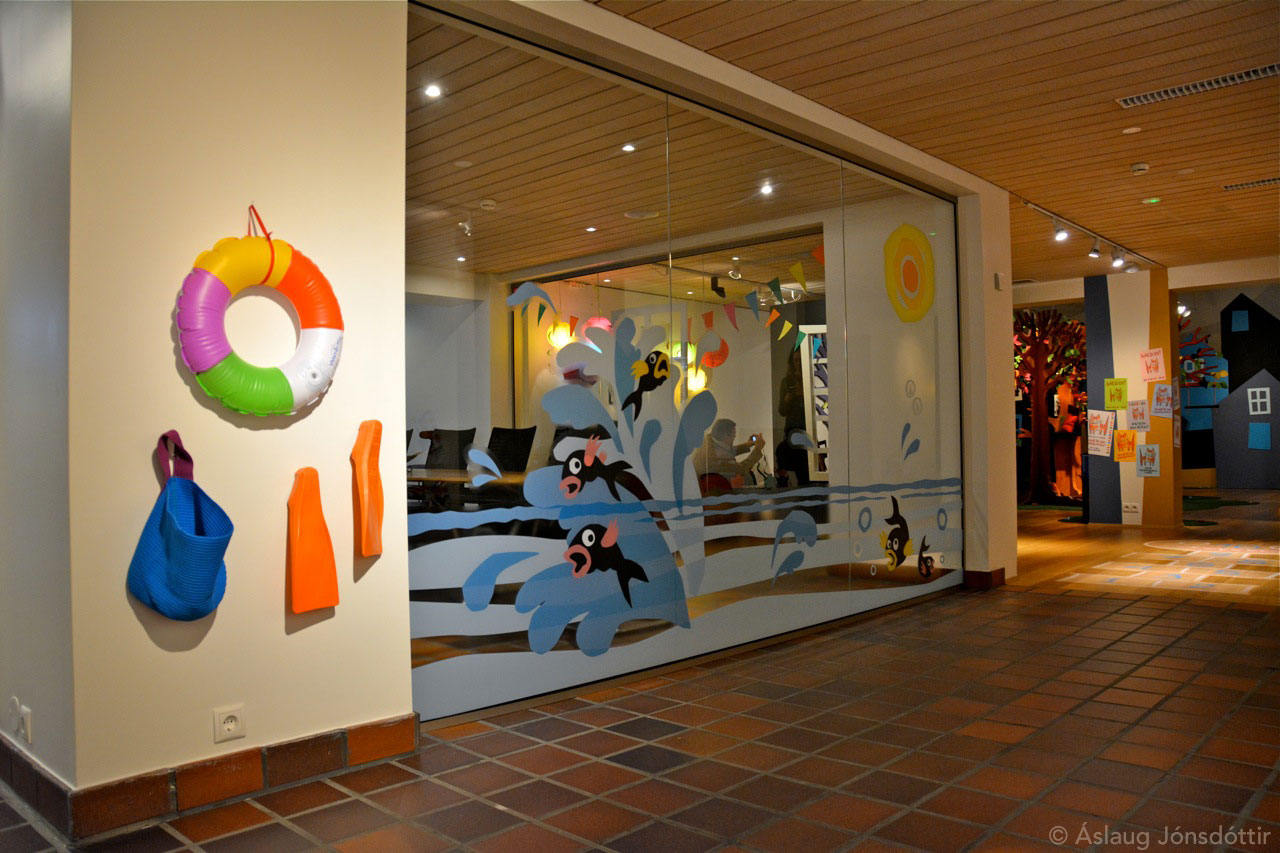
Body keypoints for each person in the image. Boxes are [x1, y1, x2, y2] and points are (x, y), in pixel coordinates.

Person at [692, 419, 765, 482]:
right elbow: (741, 469)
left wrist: (747, 445)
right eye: (734, 434)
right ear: (725, 436)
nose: (735, 436)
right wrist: (757, 449)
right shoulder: (715, 457)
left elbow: (724, 450)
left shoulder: (708, 441)